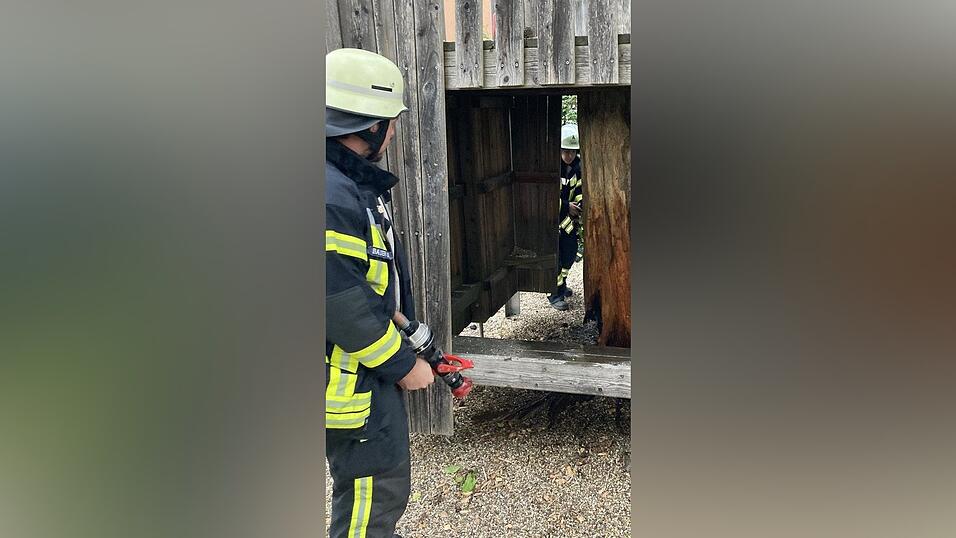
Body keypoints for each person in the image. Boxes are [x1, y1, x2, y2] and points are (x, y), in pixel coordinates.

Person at [325, 47, 435, 538]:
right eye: (391, 121)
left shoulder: (347, 185)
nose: (394, 131)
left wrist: (413, 334)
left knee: (375, 494)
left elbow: (366, 283)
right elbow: (338, 303)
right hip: (350, 384)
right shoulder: (330, 194)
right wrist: (404, 365)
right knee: (373, 500)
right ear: (369, 125)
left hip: (360, 375)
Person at [548, 123, 584, 311]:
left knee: (569, 254)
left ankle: (562, 286)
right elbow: (546, 196)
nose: (568, 155)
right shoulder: (553, 168)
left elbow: (578, 190)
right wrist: (565, 206)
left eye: (572, 151)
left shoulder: (576, 168)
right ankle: (555, 293)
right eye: (565, 151)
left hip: (568, 221)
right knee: (557, 257)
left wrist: (579, 204)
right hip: (554, 221)